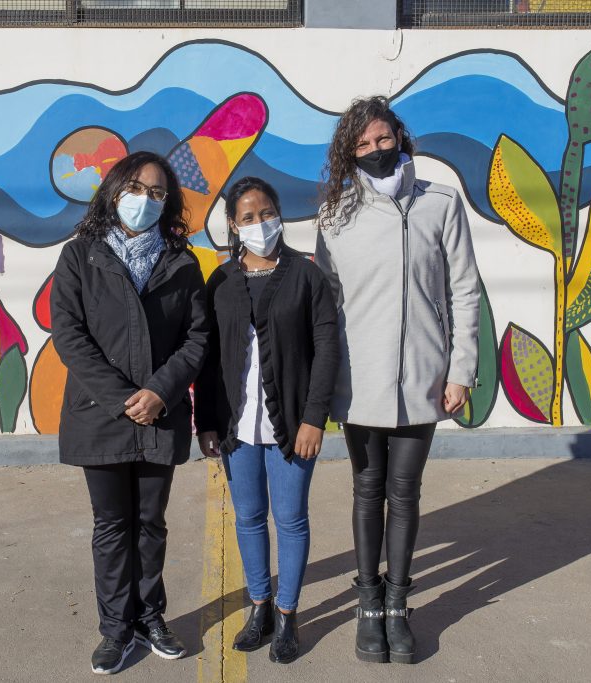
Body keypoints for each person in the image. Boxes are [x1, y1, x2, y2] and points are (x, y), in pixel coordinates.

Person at [314, 96, 480, 665]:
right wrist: (323, 380)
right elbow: (327, 304)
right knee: (367, 490)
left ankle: (398, 606)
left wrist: (461, 370)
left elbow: (465, 290)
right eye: (361, 145)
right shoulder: (335, 212)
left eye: (383, 139)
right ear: (348, 152)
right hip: (358, 384)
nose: (375, 151)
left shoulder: (440, 202)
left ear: (400, 138)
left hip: (424, 380)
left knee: (404, 493)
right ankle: (367, 603)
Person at [50, 151, 208, 675]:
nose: (146, 200)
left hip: (159, 414)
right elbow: (70, 335)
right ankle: (115, 630)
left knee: (150, 523)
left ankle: (150, 618)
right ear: (115, 190)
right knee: (112, 526)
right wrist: (123, 397)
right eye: (137, 188)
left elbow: (197, 338)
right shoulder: (81, 256)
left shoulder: (182, 263)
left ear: (169, 204)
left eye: (158, 193)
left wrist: (161, 391)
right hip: (101, 414)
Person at [195, 177, 339, 664]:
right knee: (250, 519)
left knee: (291, 520)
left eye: (267, 213)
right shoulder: (221, 282)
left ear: (280, 214)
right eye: (249, 217)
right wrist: (207, 422)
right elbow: (209, 358)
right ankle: (258, 607)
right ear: (234, 225)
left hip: (292, 428)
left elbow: (326, 351)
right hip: (238, 429)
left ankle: (288, 613)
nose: (261, 224)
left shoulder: (306, 275)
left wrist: (314, 418)